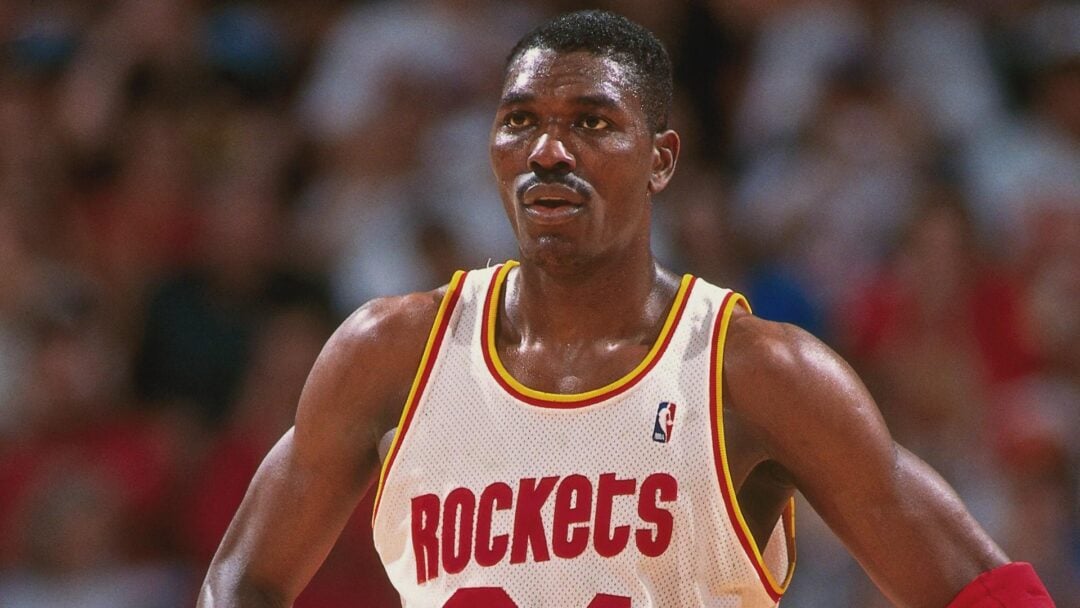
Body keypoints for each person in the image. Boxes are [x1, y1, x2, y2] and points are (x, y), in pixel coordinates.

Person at [198, 10, 1055, 607]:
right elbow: (242, 579)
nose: (547, 151)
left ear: (661, 159)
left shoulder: (757, 372)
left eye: (593, 123)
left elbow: (979, 590)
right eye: (520, 120)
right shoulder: (391, 353)